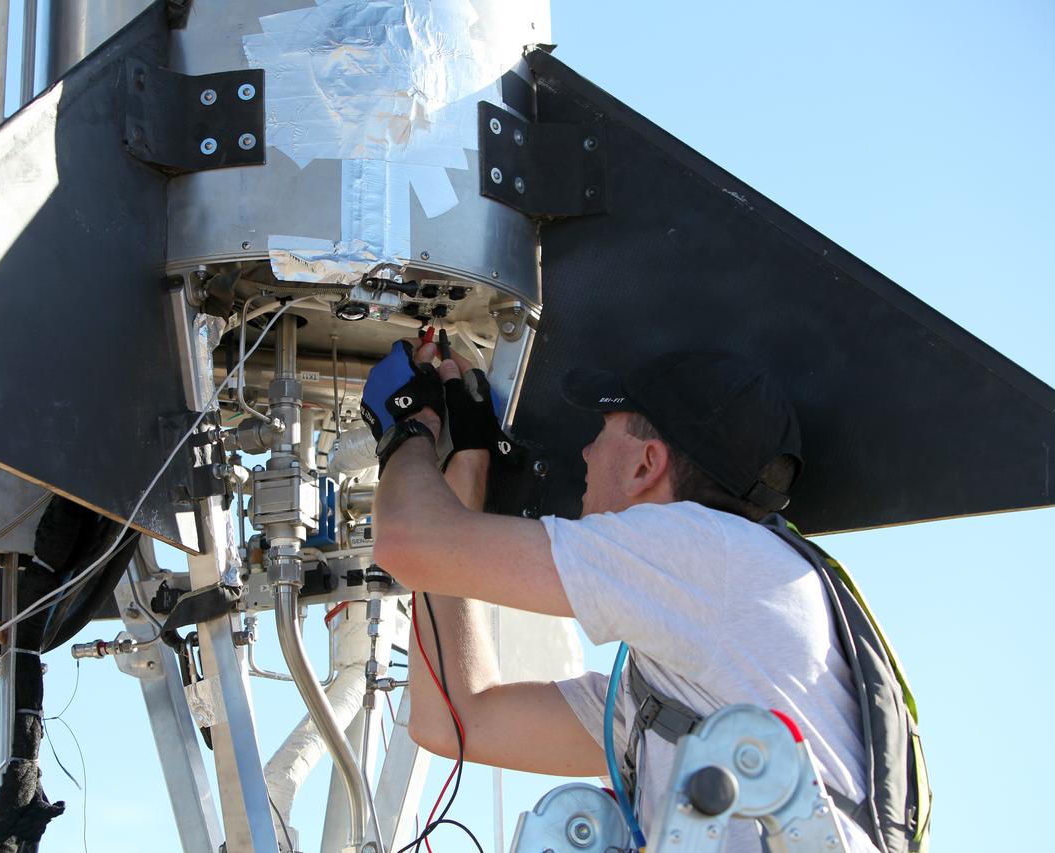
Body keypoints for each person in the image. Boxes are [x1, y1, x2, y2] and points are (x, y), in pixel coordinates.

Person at [366, 342, 882, 853]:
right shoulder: (672, 680)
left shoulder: (704, 549)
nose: (586, 453)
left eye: (601, 432)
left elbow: (410, 543)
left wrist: (406, 430)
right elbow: (456, 722)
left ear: (646, 465)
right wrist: (468, 457)